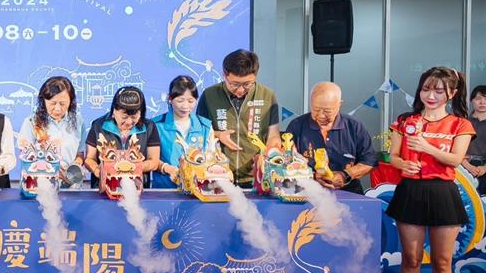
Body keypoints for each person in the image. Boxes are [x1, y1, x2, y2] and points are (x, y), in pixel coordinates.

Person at [387, 67, 474, 273]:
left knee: (442, 261)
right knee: (411, 259)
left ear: (452, 93)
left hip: (443, 193)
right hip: (410, 191)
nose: (431, 95)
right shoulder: (404, 121)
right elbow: (393, 157)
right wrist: (403, 164)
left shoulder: (460, 124)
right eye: (426, 89)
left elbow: (456, 159)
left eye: (438, 90)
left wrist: (426, 147)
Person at [196, 49, 281, 187]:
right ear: (224, 75)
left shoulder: (267, 96)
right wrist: (218, 135)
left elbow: (273, 136)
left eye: (247, 84)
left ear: (255, 76)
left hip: (256, 177)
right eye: (234, 84)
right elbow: (199, 133)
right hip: (217, 176)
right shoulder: (209, 95)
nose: (240, 90)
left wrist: (269, 157)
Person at [285, 82, 377, 194]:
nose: (321, 115)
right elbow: (286, 162)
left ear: (339, 104)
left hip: (349, 191)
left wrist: (345, 175)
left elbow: (369, 161)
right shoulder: (297, 126)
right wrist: (312, 175)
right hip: (306, 191)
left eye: (327, 111)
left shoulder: (354, 126)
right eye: (316, 109)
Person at [84, 86, 162, 188]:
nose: (129, 122)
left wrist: (130, 168)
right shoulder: (98, 125)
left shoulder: (149, 127)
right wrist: (97, 170)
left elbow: (154, 162)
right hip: (104, 188)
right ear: (114, 111)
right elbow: (89, 158)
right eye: (124, 117)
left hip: (137, 189)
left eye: (134, 117)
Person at [17, 76, 87, 183]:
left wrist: (75, 166)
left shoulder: (78, 121)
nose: (58, 108)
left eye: (63, 103)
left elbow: (80, 154)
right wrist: (53, 169)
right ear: (43, 101)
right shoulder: (32, 122)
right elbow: (26, 157)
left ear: (71, 101)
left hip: (71, 184)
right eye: (52, 103)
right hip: (40, 185)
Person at [150, 75, 213, 188]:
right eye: (180, 100)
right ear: (170, 99)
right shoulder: (156, 125)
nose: (185, 106)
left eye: (190, 101)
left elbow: (211, 158)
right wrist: (167, 168)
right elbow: (150, 159)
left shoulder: (205, 126)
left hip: (198, 191)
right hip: (165, 190)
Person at [462, 84, 486, 194]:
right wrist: (467, 166)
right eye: (478, 99)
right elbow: (453, 147)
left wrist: (484, 168)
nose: (482, 102)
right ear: (471, 101)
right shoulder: (463, 123)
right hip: (463, 167)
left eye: (485, 99)